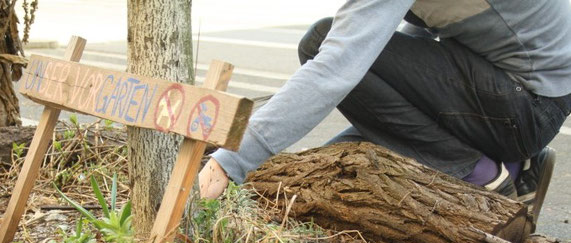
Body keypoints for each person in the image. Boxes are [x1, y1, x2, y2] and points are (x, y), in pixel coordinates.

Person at [199, 1, 571, 223]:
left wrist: (232, 160)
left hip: (525, 103)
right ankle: (519, 168)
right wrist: (354, 143)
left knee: (320, 41)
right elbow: (419, 40)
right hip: (536, 93)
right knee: (354, 121)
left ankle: (484, 174)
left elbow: (337, 66)